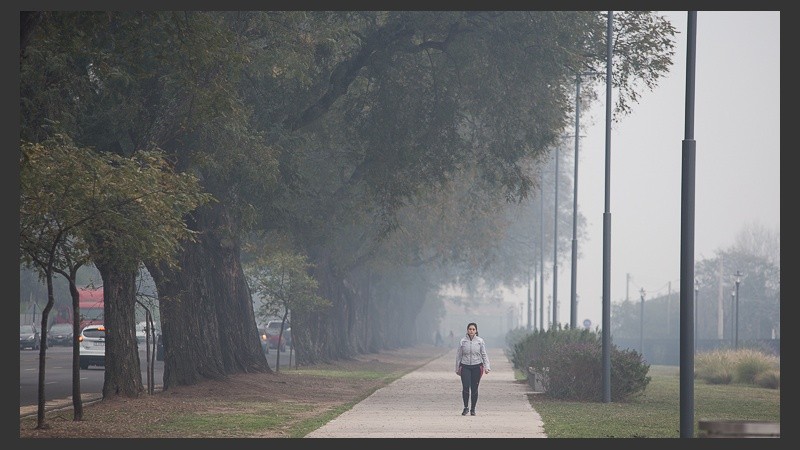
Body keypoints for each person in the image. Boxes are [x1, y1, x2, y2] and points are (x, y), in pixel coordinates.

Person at [455, 322, 491, 416]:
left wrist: (487, 367)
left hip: (477, 366)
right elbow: (459, 355)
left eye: (473, 329)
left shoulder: (480, 341)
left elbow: (484, 354)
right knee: (466, 387)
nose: (471, 331)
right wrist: (457, 368)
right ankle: (466, 407)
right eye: (470, 329)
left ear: (476, 331)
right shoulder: (462, 341)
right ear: (467, 330)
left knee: (474, 388)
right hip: (465, 366)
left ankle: (473, 409)